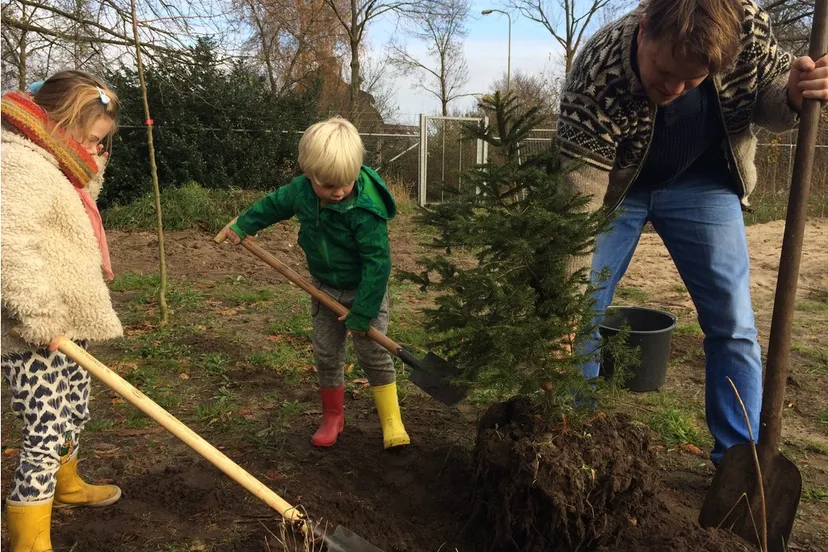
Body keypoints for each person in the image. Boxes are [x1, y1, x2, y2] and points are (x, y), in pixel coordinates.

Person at [555, 0, 828, 464]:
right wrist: (562, 305)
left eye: (692, 79)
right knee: (579, 309)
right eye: (663, 70)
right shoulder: (599, 71)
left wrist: (793, 95)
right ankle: (570, 442)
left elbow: (767, 96)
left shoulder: (747, 27)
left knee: (734, 322)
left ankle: (737, 463)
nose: (674, 89)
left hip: (704, 179)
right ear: (644, 29)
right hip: (617, 186)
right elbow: (576, 206)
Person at [215, 116, 410, 450]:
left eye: (345, 183)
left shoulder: (366, 210)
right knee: (326, 354)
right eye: (328, 185)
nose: (338, 192)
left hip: (365, 291)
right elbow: (273, 205)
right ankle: (333, 417)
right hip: (323, 288)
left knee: (373, 354)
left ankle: (391, 420)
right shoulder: (302, 191)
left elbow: (378, 265)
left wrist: (363, 312)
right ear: (308, 173)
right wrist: (244, 224)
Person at [1, 70, 124, 551]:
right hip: (32, 328)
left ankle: (67, 483)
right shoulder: (21, 165)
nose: (96, 150)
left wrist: (91, 160)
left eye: (101, 143)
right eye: (92, 140)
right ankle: (29, 541)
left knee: (73, 409)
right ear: (58, 124)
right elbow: (9, 247)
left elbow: (73, 209)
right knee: (45, 429)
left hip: (68, 319)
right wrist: (40, 317)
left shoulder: (54, 163)